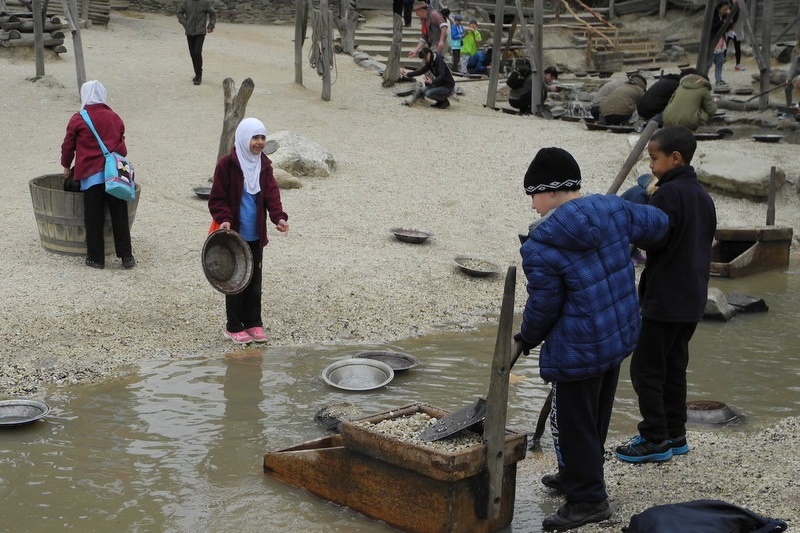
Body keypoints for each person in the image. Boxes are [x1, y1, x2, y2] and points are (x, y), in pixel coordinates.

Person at [514, 148, 669, 531]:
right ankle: (575, 476)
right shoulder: (613, 209)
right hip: (616, 334)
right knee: (593, 415)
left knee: (572, 424)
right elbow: (660, 224)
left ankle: (587, 501)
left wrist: (525, 338)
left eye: (531, 195)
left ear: (548, 192)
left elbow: (544, 306)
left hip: (577, 347)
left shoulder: (540, 246)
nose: (532, 206)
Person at [615, 126, 717, 464]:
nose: (652, 168)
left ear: (675, 158)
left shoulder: (668, 195)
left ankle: (654, 437)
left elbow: (652, 239)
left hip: (665, 297)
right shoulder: (703, 196)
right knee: (674, 366)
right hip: (691, 298)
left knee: (646, 369)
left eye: (654, 160)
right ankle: (676, 433)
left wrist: (643, 203)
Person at [208, 118, 289, 344]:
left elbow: (272, 195)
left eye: (263, 137)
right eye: (255, 137)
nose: (260, 142)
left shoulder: (264, 165)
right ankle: (233, 325)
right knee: (234, 281)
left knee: (254, 281)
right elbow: (217, 199)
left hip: (255, 235)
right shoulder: (227, 165)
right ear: (244, 138)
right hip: (234, 236)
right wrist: (224, 219)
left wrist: (278, 217)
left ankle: (254, 322)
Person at [61, 80, 135, 270]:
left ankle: (96, 259)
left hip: (91, 175)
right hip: (114, 176)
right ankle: (126, 257)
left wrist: (66, 166)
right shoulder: (115, 117)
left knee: (93, 218)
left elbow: (68, 145)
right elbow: (122, 148)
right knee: (119, 215)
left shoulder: (78, 119)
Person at [178, 0, 216, 86]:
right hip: (189, 31)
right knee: (192, 54)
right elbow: (179, 12)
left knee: (197, 52)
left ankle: (199, 75)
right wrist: (185, 23)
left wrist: (211, 25)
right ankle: (197, 73)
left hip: (200, 32)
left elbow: (212, 13)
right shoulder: (186, 2)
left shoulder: (205, 3)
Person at [708, 1, 730, 86]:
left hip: (720, 43)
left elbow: (727, 30)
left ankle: (718, 79)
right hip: (713, 42)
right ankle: (704, 78)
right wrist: (723, 22)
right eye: (724, 9)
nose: (726, 11)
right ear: (719, 9)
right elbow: (712, 27)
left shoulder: (723, 17)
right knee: (708, 64)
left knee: (720, 62)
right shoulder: (713, 17)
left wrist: (728, 22)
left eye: (727, 9)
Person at [725, 0, 744, 72]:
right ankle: (721, 62)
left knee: (737, 47)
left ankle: (738, 64)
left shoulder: (740, 6)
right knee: (724, 47)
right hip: (729, 29)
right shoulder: (729, 6)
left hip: (736, 29)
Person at [784, 43, 800, 112]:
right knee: (787, 88)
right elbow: (794, 65)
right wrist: (789, 77)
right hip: (796, 71)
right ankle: (789, 107)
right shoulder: (797, 50)